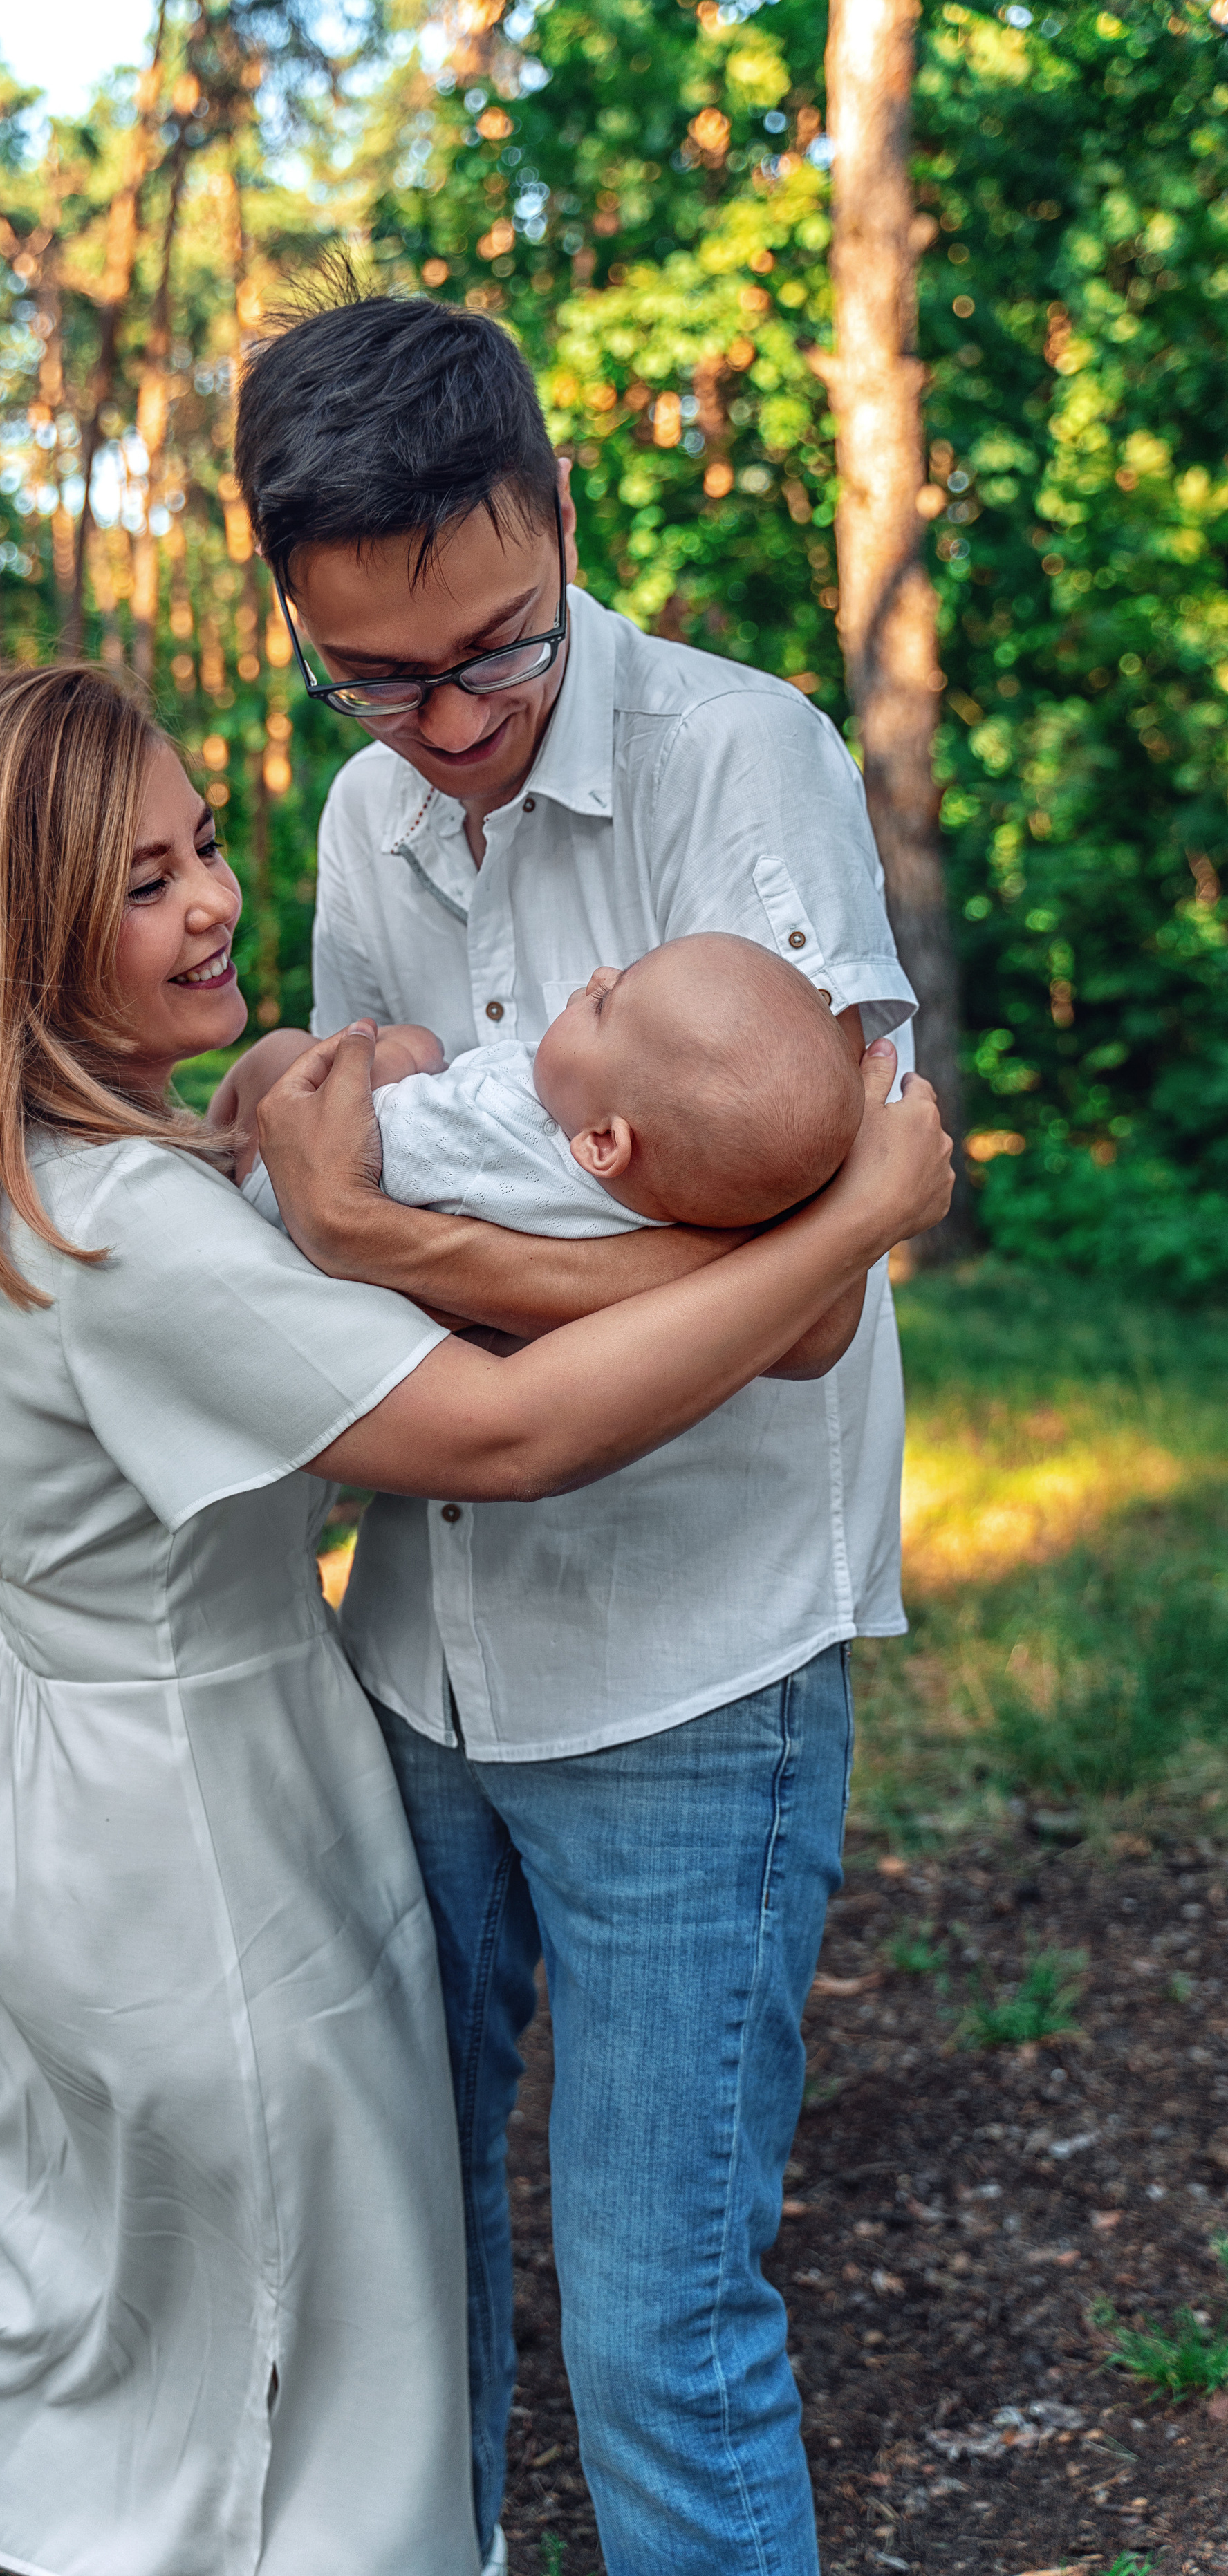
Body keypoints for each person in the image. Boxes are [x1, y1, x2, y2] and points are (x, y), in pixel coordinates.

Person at [0, 664, 949, 2576]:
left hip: (50, 1788)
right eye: (141, 885)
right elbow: (512, 1432)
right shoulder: (140, 1234)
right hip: (206, 1835)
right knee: (327, 2367)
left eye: (202, 844)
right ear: (18, 947)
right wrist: (846, 1223)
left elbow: (303, 1219)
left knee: (28, 2255)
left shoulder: (15, 1176)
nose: (214, 899)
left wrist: (293, 1142)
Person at [232, 284, 925, 2576]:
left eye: (493, 651)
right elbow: (332, 1235)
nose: (443, 724)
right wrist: (412, 1241)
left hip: (692, 1677)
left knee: (655, 2321)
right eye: (374, 673)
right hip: (423, 1655)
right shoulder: (365, 821)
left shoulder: (752, 764)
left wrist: (408, 1237)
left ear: (556, 513)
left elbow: (808, 1322)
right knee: (402, 2274)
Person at [219, 931, 866, 1240]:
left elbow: (355, 1142)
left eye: (604, 1006)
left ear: (602, 1144)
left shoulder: (498, 1135)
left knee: (285, 1052)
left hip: (285, 1188)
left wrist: (395, 1061)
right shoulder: (647, 1198)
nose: (600, 975)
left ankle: (199, 1163)